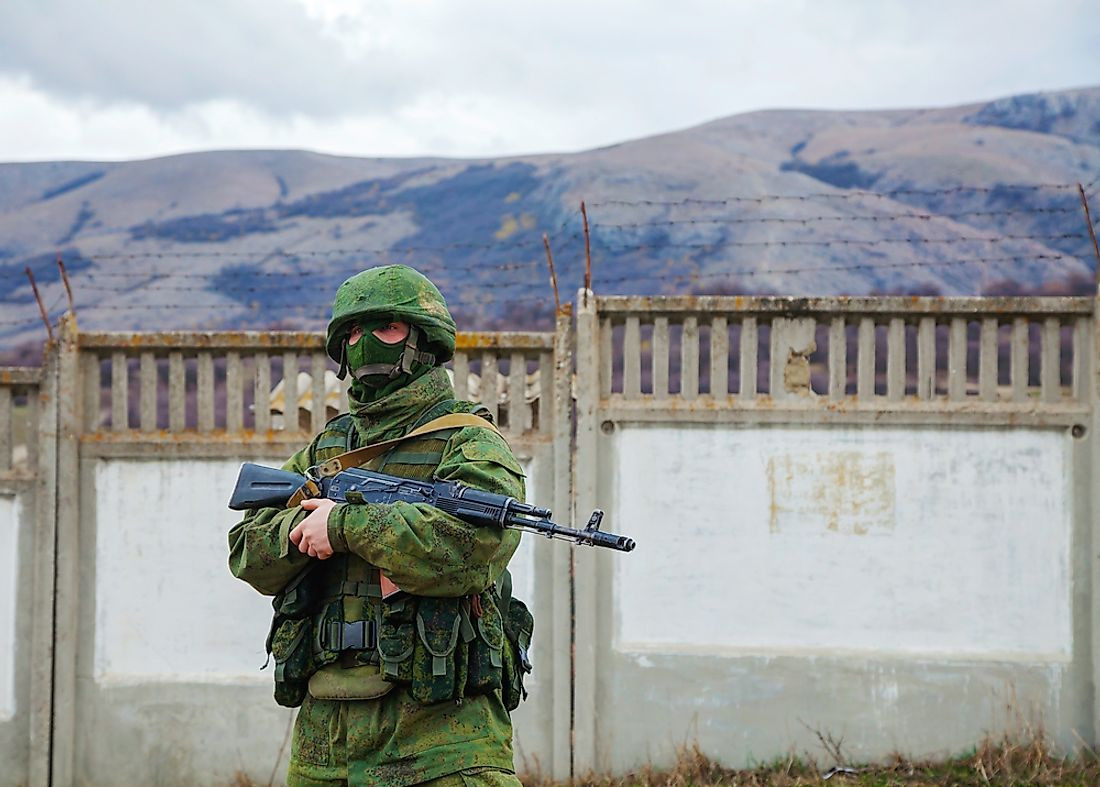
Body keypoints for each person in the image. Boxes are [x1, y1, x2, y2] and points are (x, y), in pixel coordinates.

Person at [228, 264, 527, 786]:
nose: (364, 342)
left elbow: (474, 547)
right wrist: (303, 533)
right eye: (352, 332)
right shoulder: (329, 448)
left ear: (424, 339)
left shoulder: (469, 441)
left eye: (386, 328)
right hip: (325, 743)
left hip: (442, 741)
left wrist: (345, 526)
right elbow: (247, 552)